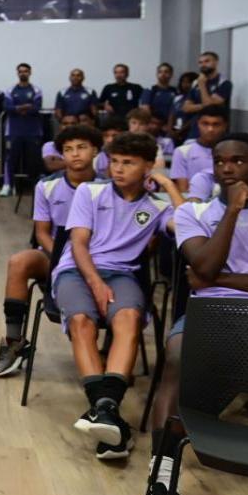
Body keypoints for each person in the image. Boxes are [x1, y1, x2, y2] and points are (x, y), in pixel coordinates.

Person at [137, 134, 248, 495]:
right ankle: (160, 485)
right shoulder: (193, 213)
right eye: (220, 161)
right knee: (176, 357)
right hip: (209, 312)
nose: (228, 168)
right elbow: (203, 266)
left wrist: (225, 279)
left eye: (239, 161)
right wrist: (233, 211)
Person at [53, 133, 184, 461]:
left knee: (129, 318)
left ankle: (105, 410)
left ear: (148, 166)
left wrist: (169, 187)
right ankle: (108, 411)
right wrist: (96, 283)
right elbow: (78, 244)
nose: (119, 169)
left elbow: (189, 230)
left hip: (122, 274)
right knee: (82, 321)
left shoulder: (157, 205)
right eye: (114, 161)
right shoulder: (90, 191)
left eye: (128, 163)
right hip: (77, 270)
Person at [0, 125, 102, 378]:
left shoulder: (106, 187)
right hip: (55, 255)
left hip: (96, 258)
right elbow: (42, 232)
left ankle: (104, 350)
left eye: (82, 148)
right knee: (19, 261)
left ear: (95, 150)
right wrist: (64, 257)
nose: (75, 154)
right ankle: (14, 343)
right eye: (68, 149)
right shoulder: (47, 185)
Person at [0, 63, 43, 197]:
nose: (23, 73)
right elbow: (7, 108)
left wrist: (18, 108)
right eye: (20, 71)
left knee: (34, 159)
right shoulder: (10, 90)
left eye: (25, 71)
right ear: (17, 73)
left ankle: (36, 187)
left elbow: (36, 108)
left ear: (30, 73)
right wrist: (24, 107)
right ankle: (7, 185)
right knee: (10, 158)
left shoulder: (36, 90)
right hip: (13, 130)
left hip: (33, 131)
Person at [170, 106, 229, 192]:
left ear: (225, 126)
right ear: (198, 124)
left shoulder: (233, 152)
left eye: (216, 125)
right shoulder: (182, 152)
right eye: (205, 124)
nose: (210, 129)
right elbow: (183, 189)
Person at [181, 51, 232, 127]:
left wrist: (202, 85)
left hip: (214, 128)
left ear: (216, 62)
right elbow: (186, 108)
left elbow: (209, 107)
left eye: (207, 61)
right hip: (196, 126)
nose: (203, 65)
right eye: (200, 62)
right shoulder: (196, 83)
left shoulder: (224, 83)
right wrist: (204, 105)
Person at [170, 71, 199, 141]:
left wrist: (181, 131)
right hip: (175, 130)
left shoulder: (197, 99)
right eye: (183, 82)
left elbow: (195, 118)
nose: (185, 84)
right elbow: (171, 115)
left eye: (188, 82)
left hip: (189, 132)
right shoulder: (177, 98)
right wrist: (170, 130)